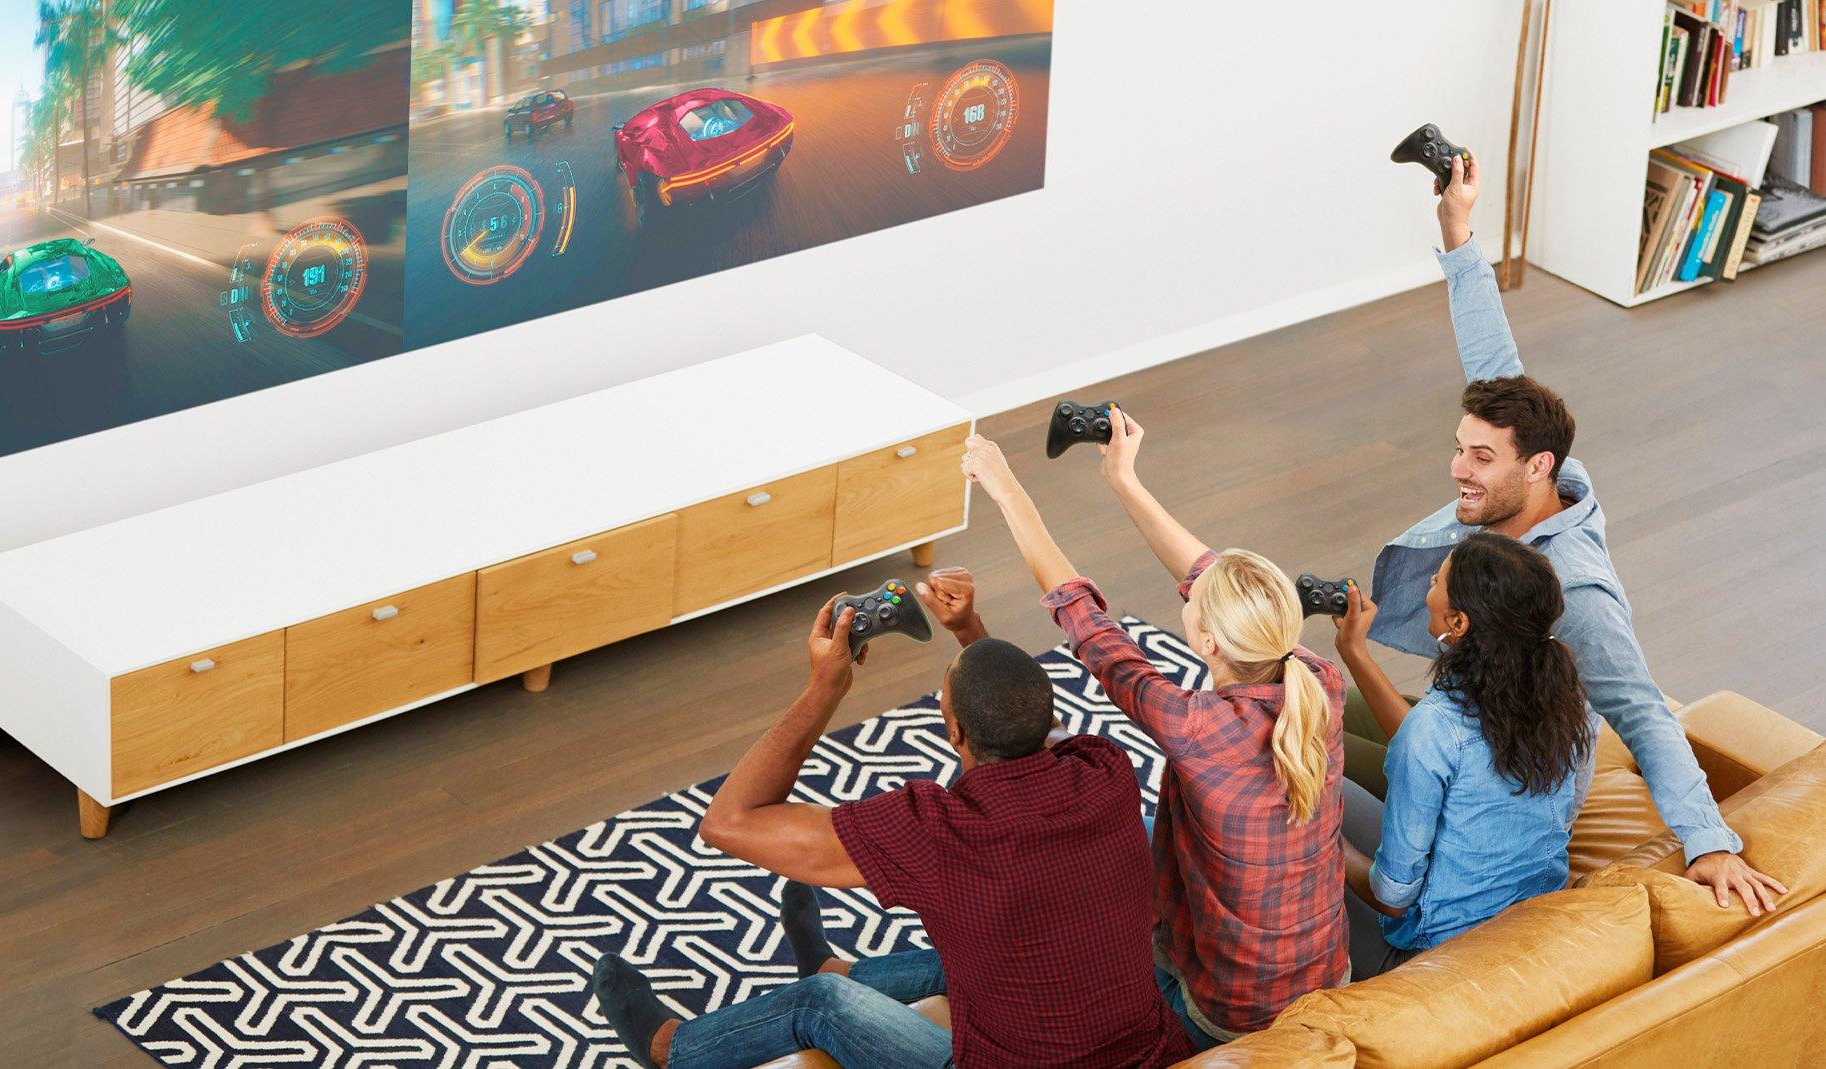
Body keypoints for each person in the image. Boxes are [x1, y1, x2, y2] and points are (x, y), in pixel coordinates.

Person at [1358, 152, 1784, 913]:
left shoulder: (1576, 594)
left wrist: (1710, 840)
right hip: (1471, 702)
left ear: (1535, 465)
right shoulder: (1541, 473)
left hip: (1512, 754)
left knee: (1326, 755)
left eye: (1480, 457)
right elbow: (1497, 360)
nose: (1459, 468)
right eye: (1459, 446)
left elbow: (1645, 711)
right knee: (1331, 715)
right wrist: (1458, 235)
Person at [590, 591, 1193, 1069]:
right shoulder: (1104, 771)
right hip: (1145, 1054)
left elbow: (729, 822)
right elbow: (1033, 720)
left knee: (819, 1008)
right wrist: (970, 631)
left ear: (955, 734)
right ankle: (841, 969)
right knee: (1001, 940)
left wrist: (824, 687)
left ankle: (671, 1049)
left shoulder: (935, 832)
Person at [961, 429, 1349, 1049]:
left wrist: (1006, 490)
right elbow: (1213, 578)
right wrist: (1124, 480)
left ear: (1208, 644)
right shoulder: (1319, 678)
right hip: (1326, 977)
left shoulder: (1193, 725)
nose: (1190, 594)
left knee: (1074, 898)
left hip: (1228, 1010)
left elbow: (1082, 617)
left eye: (1194, 604)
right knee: (1131, 840)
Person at [1333, 532, 1595, 977]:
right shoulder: (1565, 693)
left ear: (1458, 623)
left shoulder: (1436, 727)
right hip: (1525, 919)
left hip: (1433, 954)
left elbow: (1392, 900)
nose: (1427, 589)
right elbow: (1444, 748)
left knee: (1307, 798)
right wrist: (1354, 652)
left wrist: (1328, 847)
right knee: (1334, 782)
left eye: (1435, 582)